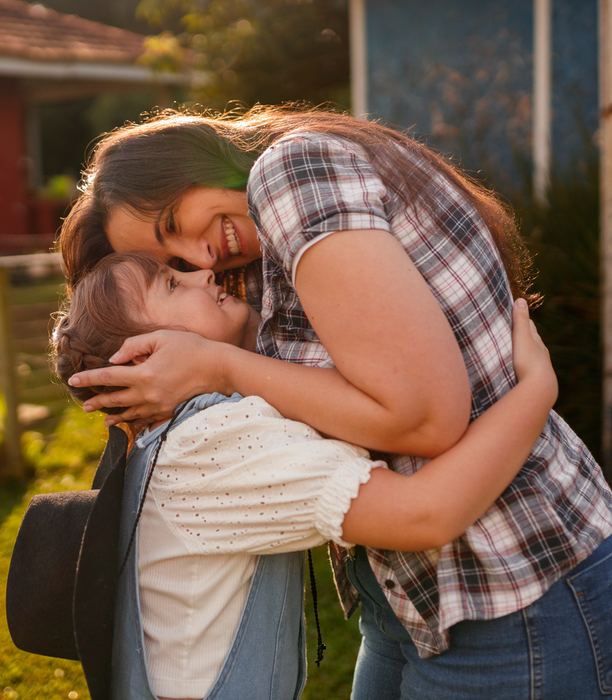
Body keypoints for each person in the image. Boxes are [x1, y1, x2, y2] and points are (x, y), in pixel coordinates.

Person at [59, 107, 612, 700]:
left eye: (173, 225)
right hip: (412, 597)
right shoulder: (263, 243)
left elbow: (422, 417)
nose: (202, 261)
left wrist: (221, 364)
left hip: (518, 587)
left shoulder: (290, 172)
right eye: (174, 269)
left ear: (190, 162)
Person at [51, 250, 560, 700]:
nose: (204, 274)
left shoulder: (164, 440)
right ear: (144, 356)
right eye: (171, 284)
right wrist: (537, 389)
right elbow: (424, 515)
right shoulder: (213, 443)